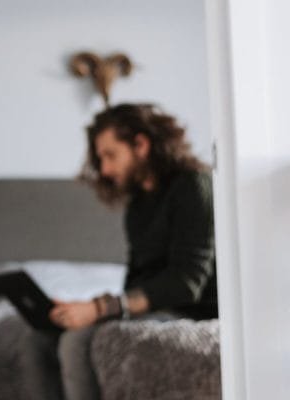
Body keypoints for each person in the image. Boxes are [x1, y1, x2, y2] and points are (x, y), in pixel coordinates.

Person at [50, 103, 217, 400]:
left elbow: (186, 283)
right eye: (101, 159)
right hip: (156, 309)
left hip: (192, 311)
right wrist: (87, 309)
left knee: (90, 341)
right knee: (68, 337)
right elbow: (136, 282)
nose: (105, 169)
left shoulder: (193, 186)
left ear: (140, 144)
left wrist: (101, 308)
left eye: (110, 155)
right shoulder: (138, 206)